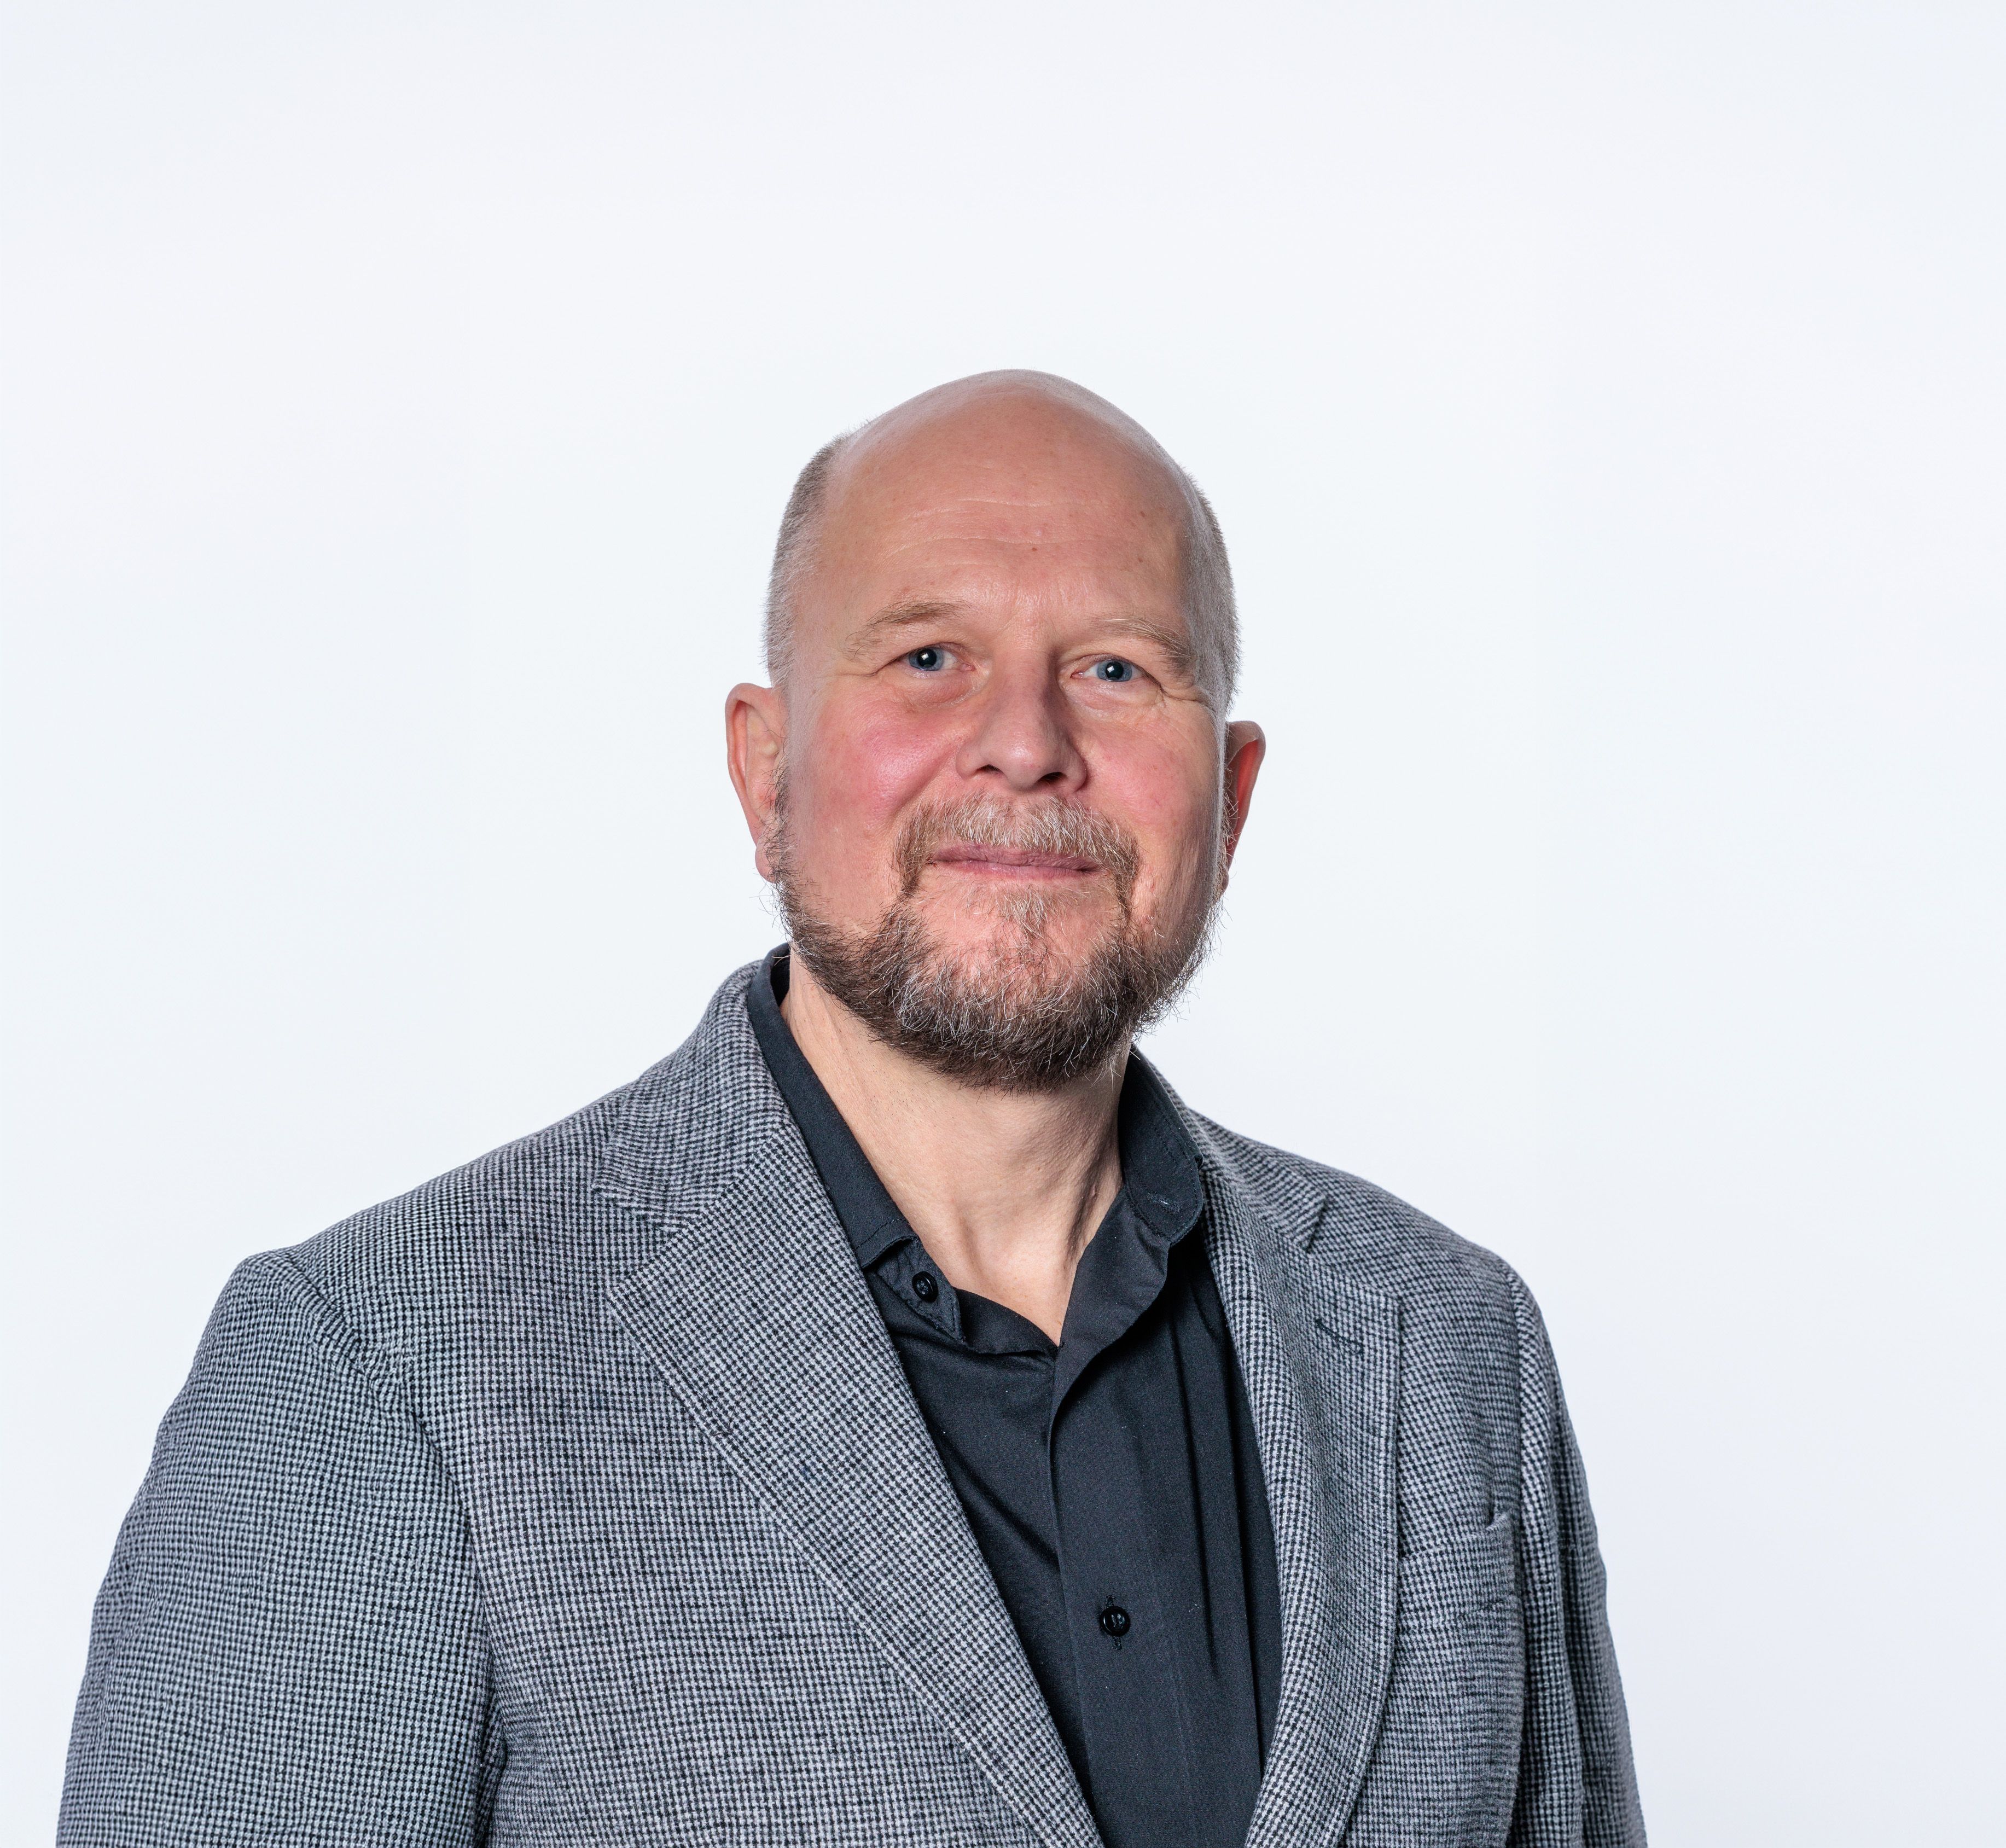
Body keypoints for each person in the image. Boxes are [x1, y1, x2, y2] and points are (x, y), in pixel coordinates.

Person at [60, 371, 1644, 1847]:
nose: (1025, 744)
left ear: (1227, 800)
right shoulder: (378, 1367)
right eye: (926, 657)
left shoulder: (1447, 1351)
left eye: (1114, 667)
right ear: (765, 770)